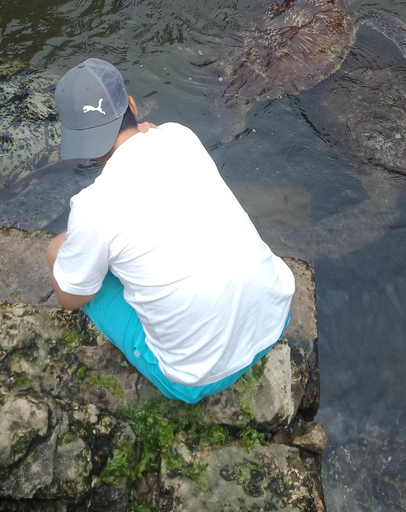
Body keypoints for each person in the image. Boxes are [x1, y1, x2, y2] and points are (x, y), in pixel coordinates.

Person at [46, 57, 295, 404]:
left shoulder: (92, 208)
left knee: (61, 254)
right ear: (132, 106)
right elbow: (155, 137)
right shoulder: (180, 135)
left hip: (195, 378)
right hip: (274, 319)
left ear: (78, 144)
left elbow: (69, 299)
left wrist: (59, 251)